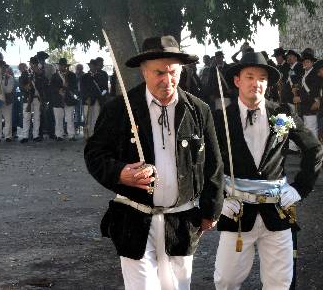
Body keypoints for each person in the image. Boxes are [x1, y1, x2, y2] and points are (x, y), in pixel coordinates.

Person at [85, 35, 224, 290]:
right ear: (144, 71)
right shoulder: (119, 109)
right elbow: (94, 153)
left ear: (181, 70)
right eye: (159, 72)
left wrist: (211, 210)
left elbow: (213, 164)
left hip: (182, 222)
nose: (167, 80)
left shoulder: (198, 110)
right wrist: (119, 173)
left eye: (172, 72)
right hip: (134, 220)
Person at [212, 51, 322, 289]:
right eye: (249, 76)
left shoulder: (283, 114)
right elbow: (206, 163)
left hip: (277, 211)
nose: (256, 83)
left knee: (280, 282)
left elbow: (314, 148)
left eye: (262, 78)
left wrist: (300, 189)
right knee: (226, 280)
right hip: (237, 212)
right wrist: (219, 198)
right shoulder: (220, 118)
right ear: (237, 81)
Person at [51, 58, 78, 141]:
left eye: (63, 65)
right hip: (58, 99)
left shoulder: (72, 75)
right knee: (58, 119)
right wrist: (58, 90)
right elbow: (51, 87)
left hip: (69, 99)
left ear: (66, 66)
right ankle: (59, 135)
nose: (61, 67)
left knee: (70, 118)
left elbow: (75, 87)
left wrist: (68, 86)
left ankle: (71, 135)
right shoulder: (54, 76)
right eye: (60, 65)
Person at [299, 52, 321, 137]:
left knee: (311, 130)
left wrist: (301, 98)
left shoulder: (315, 74)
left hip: (311, 105)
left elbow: (314, 92)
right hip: (304, 107)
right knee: (306, 130)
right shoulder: (303, 74)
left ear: (312, 63)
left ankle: (314, 149)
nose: (305, 63)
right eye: (304, 62)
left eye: (307, 62)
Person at [80, 59, 103, 138]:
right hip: (87, 101)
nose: (92, 67)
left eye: (94, 65)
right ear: (89, 66)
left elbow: (104, 88)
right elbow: (82, 89)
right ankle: (87, 135)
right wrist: (86, 98)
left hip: (97, 100)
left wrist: (101, 96)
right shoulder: (84, 77)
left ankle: (94, 135)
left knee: (96, 119)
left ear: (96, 66)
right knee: (87, 119)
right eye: (91, 65)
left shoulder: (101, 76)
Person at [0, 64, 15, 142]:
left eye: (4, 68)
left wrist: (1, 93)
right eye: (1, 68)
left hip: (7, 100)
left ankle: (8, 136)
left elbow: (9, 90)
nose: (3, 70)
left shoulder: (10, 78)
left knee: (8, 119)